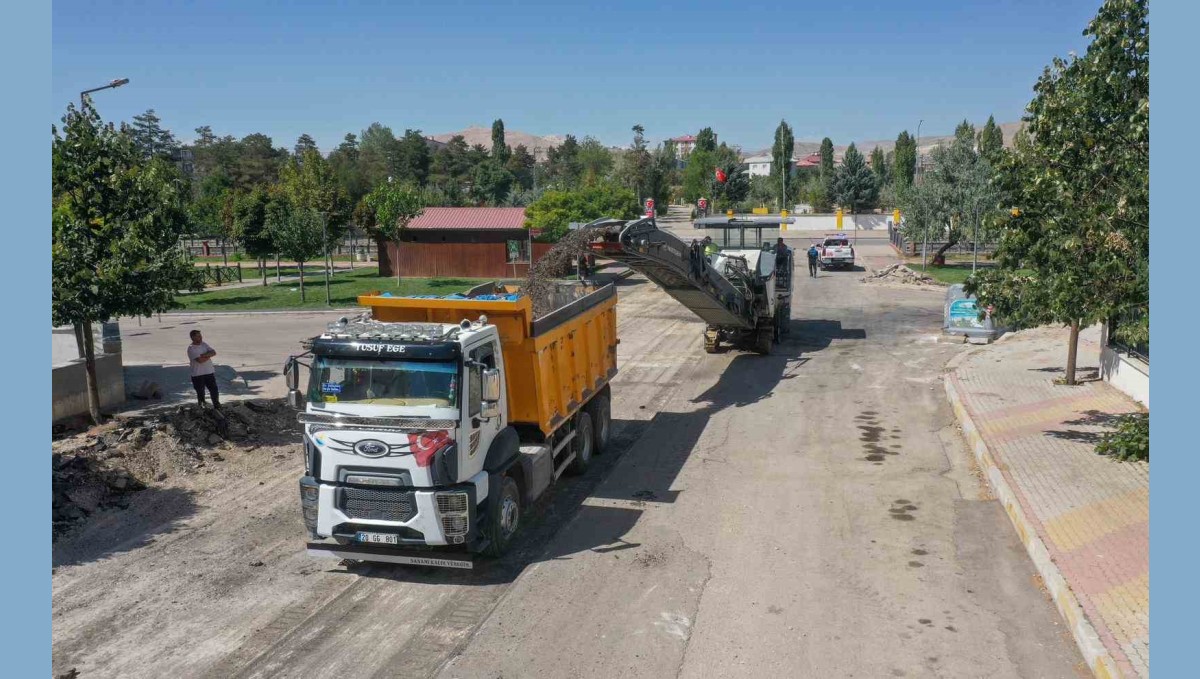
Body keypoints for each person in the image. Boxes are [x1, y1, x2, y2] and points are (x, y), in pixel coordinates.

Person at [187, 329, 220, 409]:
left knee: (214, 390)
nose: (201, 337)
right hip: (198, 374)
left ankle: (217, 406)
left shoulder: (204, 344)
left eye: (200, 335)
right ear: (193, 337)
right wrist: (208, 355)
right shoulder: (191, 348)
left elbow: (214, 352)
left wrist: (204, 355)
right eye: (198, 336)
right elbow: (200, 361)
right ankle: (202, 408)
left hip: (209, 372)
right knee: (201, 393)